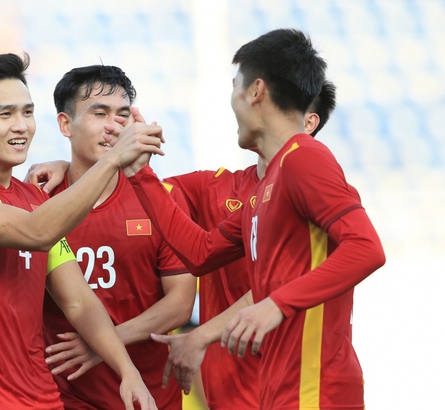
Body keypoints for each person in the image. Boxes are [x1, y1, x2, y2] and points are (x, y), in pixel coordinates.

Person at [23, 80, 337, 410]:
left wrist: (104, 343)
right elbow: (141, 188)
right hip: (225, 389)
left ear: (308, 123)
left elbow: (272, 285)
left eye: (266, 105)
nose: (246, 108)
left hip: (303, 383)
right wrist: (71, 168)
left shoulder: (315, 197)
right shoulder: (213, 188)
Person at [116, 28, 385, 410]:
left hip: (316, 392)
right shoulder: (262, 189)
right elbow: (201, 252)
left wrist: (275, 304)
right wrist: (140, 174)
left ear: (256, 91)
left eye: (234, 87)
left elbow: (367, 248)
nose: (232, 101)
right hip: (278, 391)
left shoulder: (305, 158)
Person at [0, 64, 196, 409]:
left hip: (41, 397)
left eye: (28, 112)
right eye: (6, 114)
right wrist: (111, 160)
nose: (21, 125)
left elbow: (78, 300)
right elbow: (37, 232)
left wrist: (127, 371)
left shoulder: (35, 198)